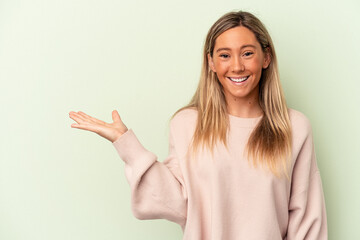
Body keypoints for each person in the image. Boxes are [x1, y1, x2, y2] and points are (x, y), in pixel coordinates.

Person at [69, 11, 327, 240]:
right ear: (211, 63)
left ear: (266, 57)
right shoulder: (187, 125)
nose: (237, 66)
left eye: (247, 53)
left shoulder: (294, 127)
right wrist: (125, 142)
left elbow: (307, 219)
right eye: (224, 55)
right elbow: (176, 202)